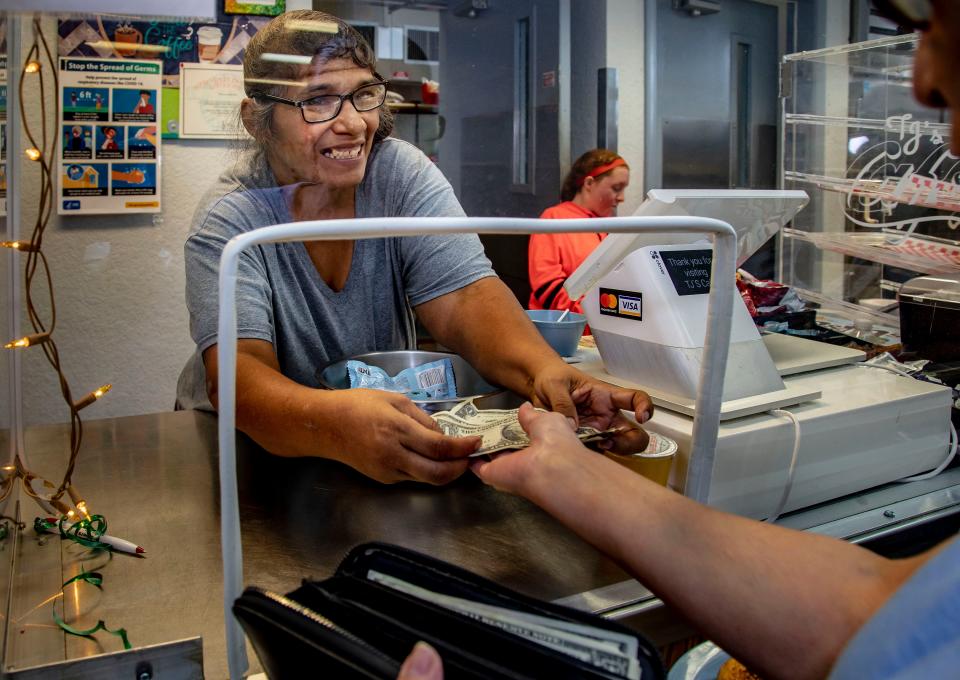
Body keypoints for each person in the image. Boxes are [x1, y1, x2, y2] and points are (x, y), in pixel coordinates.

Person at [404, 1, 960, 677]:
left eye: (931, 24)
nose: (923, 80)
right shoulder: (561, 221)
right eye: (917, 27)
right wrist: (562, 467)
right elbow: (880, 614)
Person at [176, 10, 653, 485]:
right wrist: (334, 425)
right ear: (256, 121)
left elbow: (465, 297)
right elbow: (240, 379)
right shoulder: (232, 220)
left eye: (363, 95)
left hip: (373, 440)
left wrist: (545, 372)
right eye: (318, 101)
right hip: (248, 449)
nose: (353, 124)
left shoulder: (397, 174)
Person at [528, 149, 629, 314]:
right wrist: (592, 315)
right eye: (617, 188)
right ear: (589, 183)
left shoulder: (608, 228)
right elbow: (546, 285)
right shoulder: (554, 218)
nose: (622, 198)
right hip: (561, 329)